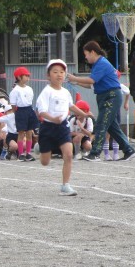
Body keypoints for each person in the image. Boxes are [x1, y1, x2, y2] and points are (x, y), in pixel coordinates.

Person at [67, 40, 135, 162]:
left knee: (101, 124)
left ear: (93, 52)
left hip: (111, 97)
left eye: (86, 54)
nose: (86, 57)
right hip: (107, 97)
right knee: (112, 127)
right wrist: (76, 82)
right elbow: (91, 85)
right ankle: (129, 150)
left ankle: (95, 153)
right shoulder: (98, 65)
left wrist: (75, 78)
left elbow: (91, 81)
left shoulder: (102, 63)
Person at [36, 59, 92, 196]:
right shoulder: (46, 92)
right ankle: (40, 146)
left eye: (62, 72)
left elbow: (71, 106)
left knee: (68, 154)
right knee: (45, 162)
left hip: (63, 127)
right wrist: (53, 119)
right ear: (48, 75)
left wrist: (83, 114)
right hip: (48, 128)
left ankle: (65, 186)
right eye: (55, 72)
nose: (59, 74)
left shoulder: (66, 92)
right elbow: (41, 112)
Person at [10, 66, 38, 161]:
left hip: (29, 109)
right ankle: (21, 154)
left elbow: (30, 100)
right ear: (19, 77)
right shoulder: (15, 90)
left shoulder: (29, 89)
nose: (27, 78)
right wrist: (17, 113)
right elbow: (13, 105)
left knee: (29, 132)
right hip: (20, 111)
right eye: (25, 76)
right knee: (21, 133)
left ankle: (28, 153)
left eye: (28, 76)